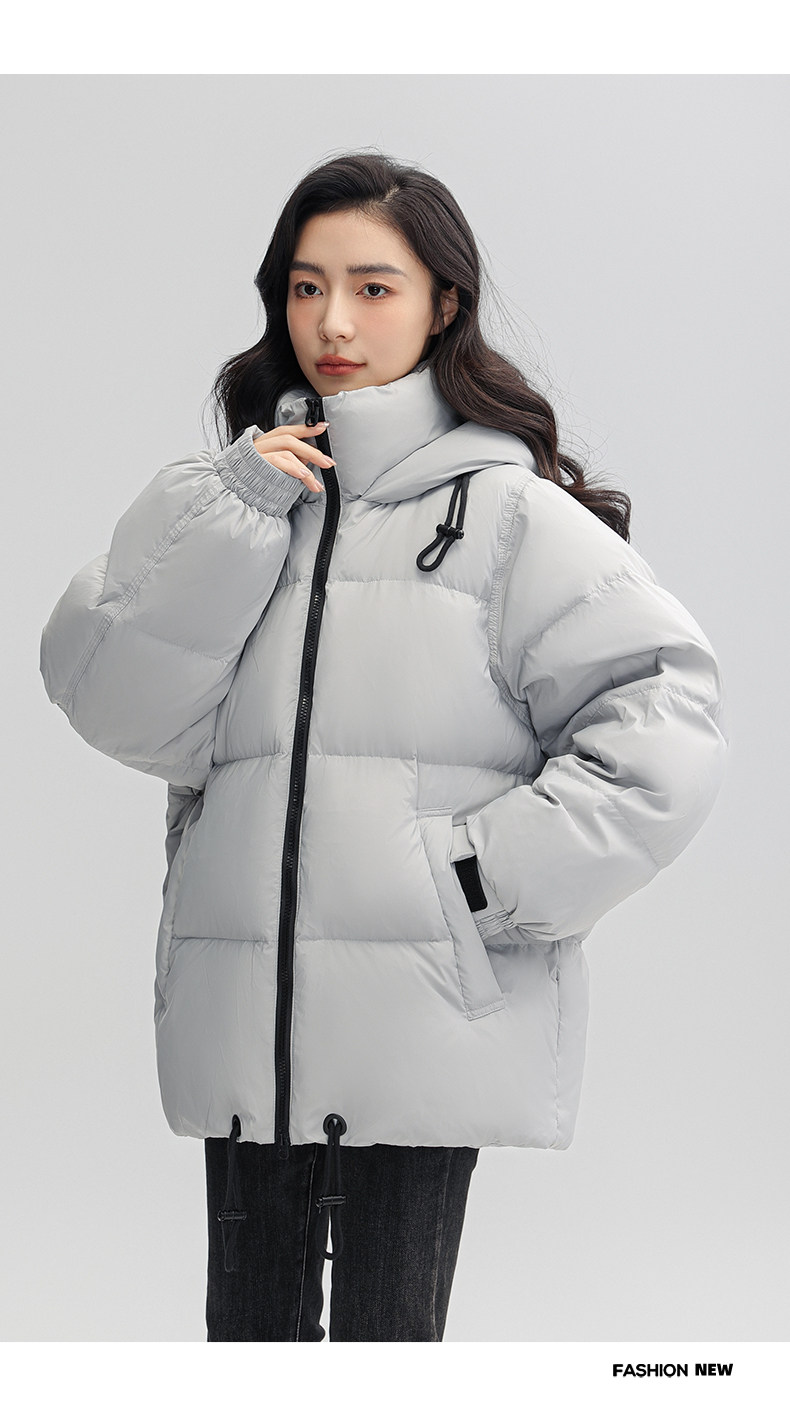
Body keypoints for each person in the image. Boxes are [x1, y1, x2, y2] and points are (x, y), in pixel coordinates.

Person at [39, 149, 729, 1343]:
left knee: (386, 1351)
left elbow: (665, 721)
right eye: (306, 288)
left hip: (421, 1032)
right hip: (247, 1030)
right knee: (245, 1349)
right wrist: (227, 513)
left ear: (443, 303)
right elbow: (111, 702)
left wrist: (475, 881)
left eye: (372, 287)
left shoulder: (507, 518)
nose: (333, 323)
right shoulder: (244, 506)